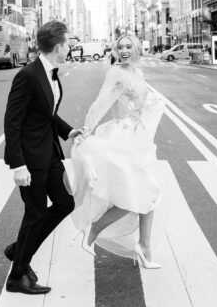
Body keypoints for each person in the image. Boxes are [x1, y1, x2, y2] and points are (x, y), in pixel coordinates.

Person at [66, 32, 165, 269]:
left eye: (129, 46)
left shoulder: (137, 72)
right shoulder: (116, 73)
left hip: (138, 139)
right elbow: (100, 102)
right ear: (115, 51)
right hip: (121, 139)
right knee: (139, 193)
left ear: (137, 48)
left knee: (149, 195)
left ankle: (144, 246)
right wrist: (87, 130)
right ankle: (99, 225)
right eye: (120, 47)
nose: (124, 51)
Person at [2, 19, 83, 295]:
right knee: (35, 215)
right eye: (68, 43)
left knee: (65, 203)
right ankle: (17, 277)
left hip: (49, 152)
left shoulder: (52, 72)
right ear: (58, 46)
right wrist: (18, 165)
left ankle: (18, 250)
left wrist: (69, 131)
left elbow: (45, 113)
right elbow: (12, 122)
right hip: (30, 158)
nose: (70, 47)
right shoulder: (27, 75)